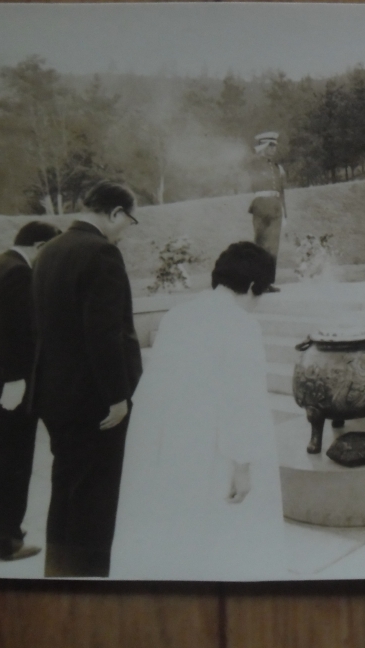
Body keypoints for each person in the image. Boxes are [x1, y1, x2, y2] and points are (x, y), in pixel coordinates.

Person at [111, 242, 286, 581]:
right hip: (214, 446)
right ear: (253, 286)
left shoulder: (179, 315)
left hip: (173, 442)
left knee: (181, 532)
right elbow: (242, 400)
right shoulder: (241, 325)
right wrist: (243, 465)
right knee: (225, 531)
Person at [29, 180, 143, 577]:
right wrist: (118, 397)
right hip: (93, 402)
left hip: (54, 395)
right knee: (95, 499)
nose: (126, 230)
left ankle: (58, 573)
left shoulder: (49, 250)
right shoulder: (101, 253)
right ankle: (86, 583)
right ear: (115, 213)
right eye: (129, 221)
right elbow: (105, 334)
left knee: (66, 490)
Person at [0, 221, 61, 563]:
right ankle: (5, 542)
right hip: (8, 389)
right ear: (39, 247)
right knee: (11, 466)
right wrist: (16, 381)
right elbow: (14, 332)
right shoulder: (19, 273)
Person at [246, 131, 286, 292]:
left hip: (276, 207)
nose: (273, 149)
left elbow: (281, 192)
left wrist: (285, 213)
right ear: (263, 147)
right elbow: (248, 165)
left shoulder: (277, 167)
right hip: (261, 206)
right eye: (270, 146)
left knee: (273, 246)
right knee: (260, 245)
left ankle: (267, 282)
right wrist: (258, 153)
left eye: (274, 146)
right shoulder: (255, 163)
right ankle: (257, 282)